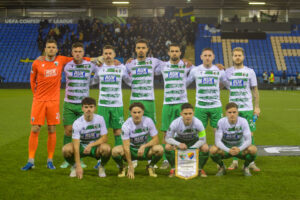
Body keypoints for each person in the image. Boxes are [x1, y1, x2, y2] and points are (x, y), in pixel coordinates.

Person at [21, 39, 76, 171]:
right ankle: (30, 161)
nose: (51, 49)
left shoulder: (61, 60)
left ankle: (50, 160)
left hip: (53, 102)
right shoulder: (37, 63)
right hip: (39, 101)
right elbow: (32, 80)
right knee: (35, 129)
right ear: (45, 49)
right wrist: (36, 95)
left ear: (57, 49)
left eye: (53, 47)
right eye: (49, 47)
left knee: (52, 129)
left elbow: (77, 57)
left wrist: (96, 58)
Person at [60, 42, 99, 169]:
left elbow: (99, 73)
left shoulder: (89, 65)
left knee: (82, 132)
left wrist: (91, 82)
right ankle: (68, 159)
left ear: (83, 53)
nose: (78, 53)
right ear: (72, 53)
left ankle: (79, 158)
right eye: (75, 51)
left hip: (83, 105)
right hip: (69, 103)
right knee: (68, 131)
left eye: (80, 51)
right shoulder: (67, 66)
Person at [92, 45, 132, 168]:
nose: (108, 55)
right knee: (101, 132)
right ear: (103, 55)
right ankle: (100, 159)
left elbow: (129, 81)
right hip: (103, 104)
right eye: (106, 53)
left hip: (117, 105)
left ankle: (119, 156)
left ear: (114, 55)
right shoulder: (99, 69)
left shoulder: (121, 68)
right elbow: (93, 81)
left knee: (118, 131)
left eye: (110, 53)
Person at [158, 43, 193, 169]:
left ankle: (183, 157)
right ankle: (166, 159)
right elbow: (148, 63)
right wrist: (129, 62)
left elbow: (203, 68)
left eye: (176, 51)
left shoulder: (186, 65)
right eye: (172, 51)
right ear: (168, 53)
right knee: (166, 133)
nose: (174, 53)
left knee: (183, 133)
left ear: (180, 53)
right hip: (167, 103)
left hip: (181, 104)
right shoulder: (162, 66)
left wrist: (218, 66)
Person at [225, 47, 260, 171]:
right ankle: (235, 161)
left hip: (247, 108)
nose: (237, 57)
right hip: (234, 109)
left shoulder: (250, 72)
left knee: (250, 133)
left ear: (243, 57)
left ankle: (251, 162)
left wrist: (256, 107)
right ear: (232, 57)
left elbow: (255, 90)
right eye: (235, 55)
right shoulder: (228, 72)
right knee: (234, 134)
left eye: (239, 55)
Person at [111, 102, 164, 179]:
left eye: (139, 112)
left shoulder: (148, 121)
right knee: (115, 151)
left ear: (143, 112)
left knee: (159, 149)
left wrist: (144, 146)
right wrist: (131, 166)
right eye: (134, 112)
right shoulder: (126, 125)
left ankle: (150, 166)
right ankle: (122, 167)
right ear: (130, 113)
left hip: (145, 151)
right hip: (131, 150)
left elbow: (156, 140)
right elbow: (126, 147)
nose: (137, 115)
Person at [62, 97, 111, 179]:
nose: (89, 109)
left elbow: (105, 138)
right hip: (81, 146)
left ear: (94, 108)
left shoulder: (100, 119)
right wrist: (78, 166)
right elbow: (76, 145)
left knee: (107, 149)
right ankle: (74, 166)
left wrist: (91, 145)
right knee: (66, 150)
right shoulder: (77, 123)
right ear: (82, 108)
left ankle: (101, 166)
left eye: (91, 107)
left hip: (95, 148)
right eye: (86, 107)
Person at [186, 48, 227, 136]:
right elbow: (185, 83)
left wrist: (218, 88)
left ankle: (218, 148)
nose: (207, 58)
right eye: (205, 55)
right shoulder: (195, 70)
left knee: (218, 132)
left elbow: (226, 84)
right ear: (201, 57)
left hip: (215, 106)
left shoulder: (220, 70)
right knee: (199, 132)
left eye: (209, 56)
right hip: (200, 106)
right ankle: (201, 148)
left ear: (213, 57)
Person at [210, 102, 257, 176]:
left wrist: (239, 149)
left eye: (234, 112)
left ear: (237, 112)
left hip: (239, 149)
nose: (232, 114)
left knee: (253, 149)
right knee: (213, 150)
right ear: (226, 113)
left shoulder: (243, 121)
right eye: (230, 112)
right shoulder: (221, 122)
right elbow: (217, 141)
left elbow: (249, 140)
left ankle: (246, 167)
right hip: (226, 150)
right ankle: (222, 167)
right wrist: (228, 150)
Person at [165, 103, 209, 177]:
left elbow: (203, 139)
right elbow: (167, 138)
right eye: (185, 114)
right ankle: (174, 168)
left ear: (193, 113)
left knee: (205, 147)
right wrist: (178, 144)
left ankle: (199, 169)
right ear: (181, 114)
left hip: (193, 140)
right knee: (167, 147)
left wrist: (193, 147)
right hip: (180, 140)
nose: (188, 116)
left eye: (190, 113)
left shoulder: (199, 123)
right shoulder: (175, 123)